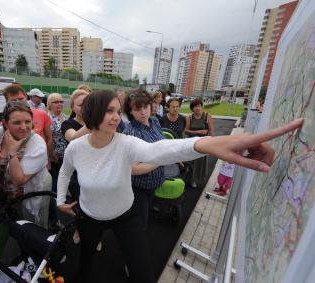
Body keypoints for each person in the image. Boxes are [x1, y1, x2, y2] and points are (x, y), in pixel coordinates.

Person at [57, 89, 303, 283]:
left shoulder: (125, 143)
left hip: (126, 215)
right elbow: (65, 171)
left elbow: (159, 149)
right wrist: (59, 200)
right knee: (85, 263)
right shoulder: (77, 148)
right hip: (89, 217)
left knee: (143, 273)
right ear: (93, 113)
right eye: (109, 111)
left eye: (117, 111)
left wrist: (206, 143)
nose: (115, 117)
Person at [0, 101, 51, 226]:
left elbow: (19, 180)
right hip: (8, 192)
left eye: (28, 122)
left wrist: (12, 153)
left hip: (32, 191)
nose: (24, 127)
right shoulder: (1, 134)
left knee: (34, 225)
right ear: (5, 124)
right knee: (17, 222)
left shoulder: (37, 144)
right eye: (17, 123)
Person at [122, 89, 164, 230]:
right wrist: (161, 159)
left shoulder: (155, 121)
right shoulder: (131, 132)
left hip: (153, 182)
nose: (143, 112)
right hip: (138, 187)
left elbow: (161, 144)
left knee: (142, 217)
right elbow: (133, 169)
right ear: (130, 111)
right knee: (140, 223)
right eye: (137, 109)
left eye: (145, 107)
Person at [0, 85, 55, 169]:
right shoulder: (0, 132)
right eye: (14, 100)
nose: (18, 102)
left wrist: (47, 159)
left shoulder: (42, 114)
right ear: (7, 102)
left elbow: (49, 138)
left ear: (26, 98)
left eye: (21, 99)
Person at [60, 89, 90, 202]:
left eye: (88, 104)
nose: (85, 107)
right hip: (77, 173)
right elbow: (73, 137)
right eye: (81, 105)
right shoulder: (67, 124)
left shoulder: (99, 122)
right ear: (72, 107)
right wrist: (93, 122)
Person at [184, 98, 214, 188]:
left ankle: (197, 179)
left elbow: (211, 130)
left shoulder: (207, 116)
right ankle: (191, 179)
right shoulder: (189, 117)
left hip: (203, 143)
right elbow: (186, 131)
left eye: (199, 106)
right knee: (191, 162)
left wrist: (212, 142)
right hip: (192, 143)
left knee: (201, 162)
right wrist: (198, 132)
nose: (198, 108)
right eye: (195, 106)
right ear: (192, 108)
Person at [47, 93, 68, 193]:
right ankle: (56, 199)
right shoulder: (48, 118)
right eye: (56, 102)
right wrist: (52, 154)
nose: (59, 104)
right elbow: (49, 138)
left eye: (61, 101)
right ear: (50, 104)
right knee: (57, 179)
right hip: (56, 156)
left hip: (66, 154)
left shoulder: (64, 116)